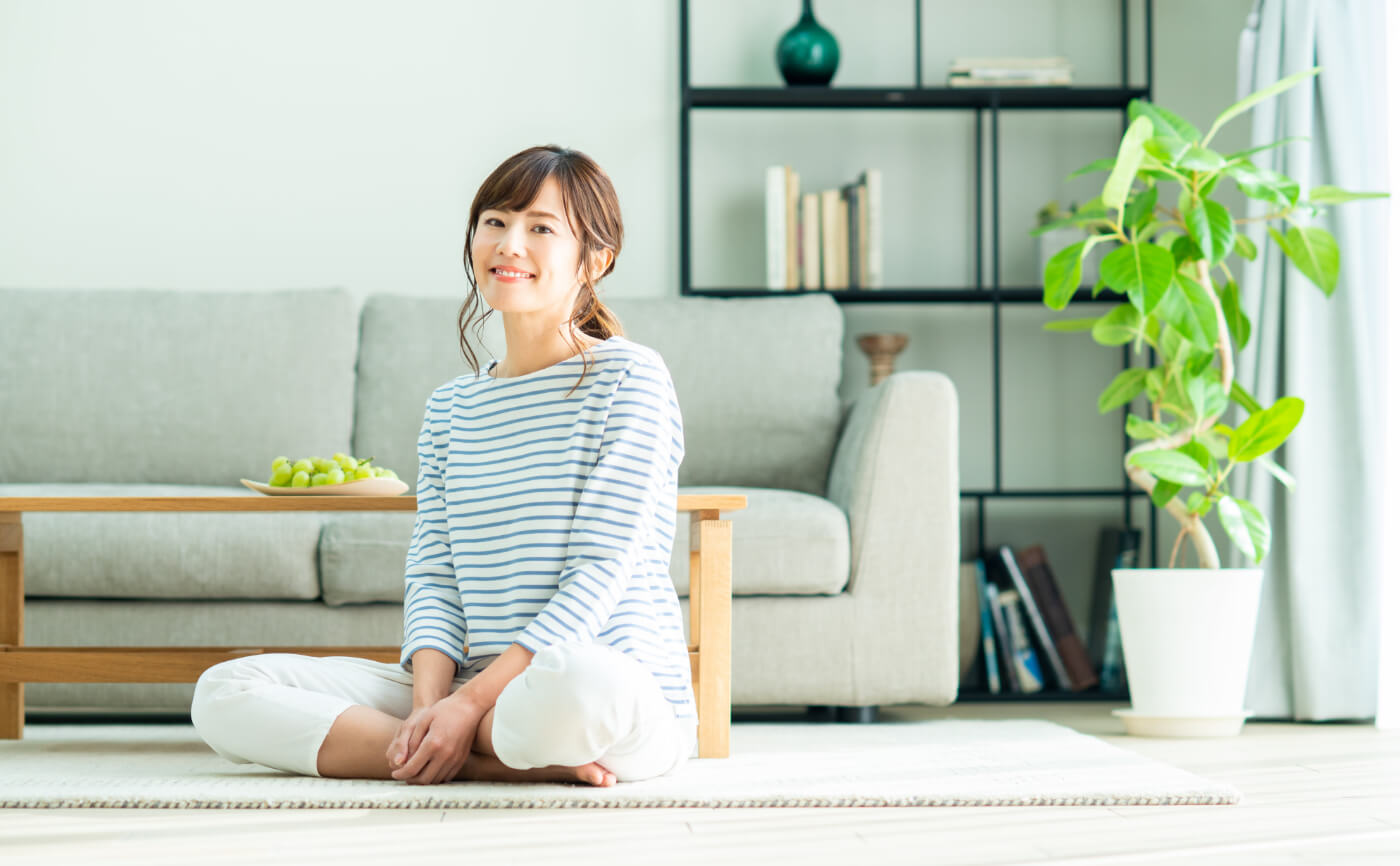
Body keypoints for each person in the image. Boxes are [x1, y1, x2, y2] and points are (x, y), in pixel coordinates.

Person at [191, 145, 696, 787]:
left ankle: (457, 746)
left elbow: (601, 572)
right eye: (495, 221)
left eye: (541, 228)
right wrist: (432, 706)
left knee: (579, 684)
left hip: (600, 688)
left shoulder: (630, 378)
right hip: (472, 691)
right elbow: (434, 573)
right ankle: (492, 761)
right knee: (226, 689)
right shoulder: (452, 407)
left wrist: (468, 705)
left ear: (596, 260)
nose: (510, 243)